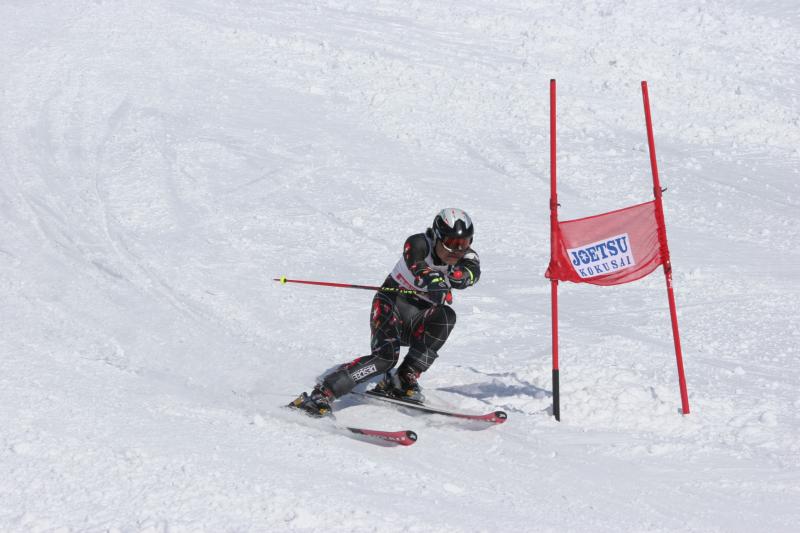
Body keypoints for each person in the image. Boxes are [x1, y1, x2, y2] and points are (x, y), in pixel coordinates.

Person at [290, 208, 481, 417]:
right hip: (391, 306)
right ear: (437, 236)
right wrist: (434, 279)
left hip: (419, 318)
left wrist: (460, 275)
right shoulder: (418, 243)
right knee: (385, 359)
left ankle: (402, 379)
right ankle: (322, 394)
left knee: (446, 316)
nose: (458, 250)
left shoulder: (467, 256)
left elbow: (472, 273)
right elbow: (419, 267)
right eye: (452, 243)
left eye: (464, 243)